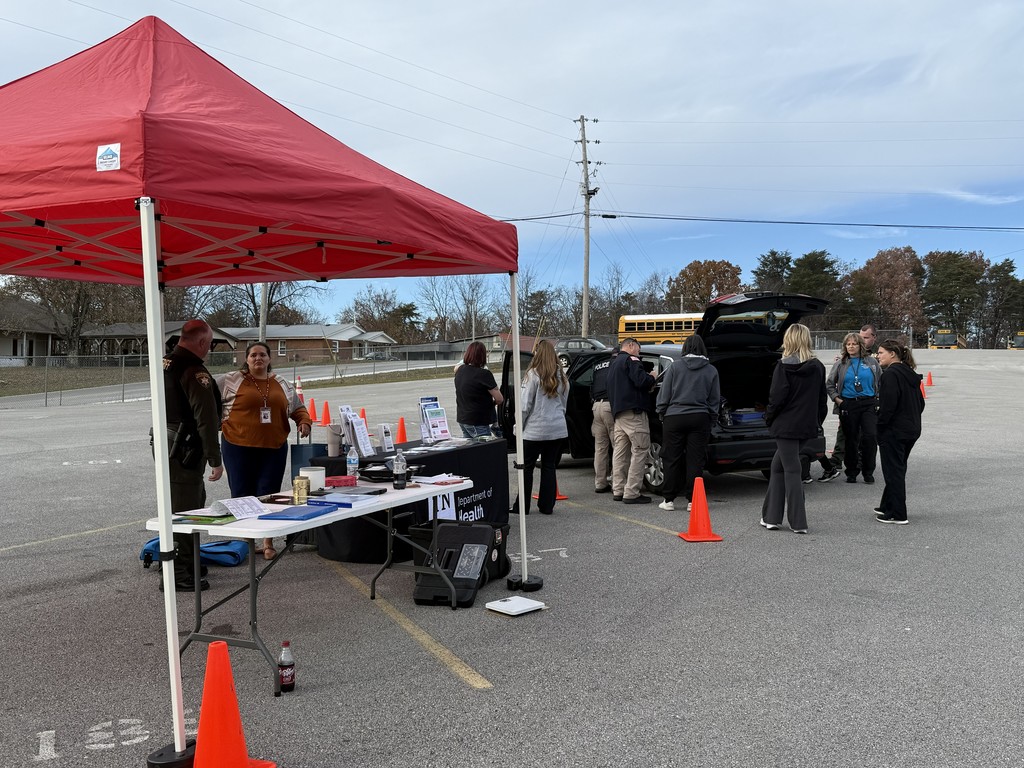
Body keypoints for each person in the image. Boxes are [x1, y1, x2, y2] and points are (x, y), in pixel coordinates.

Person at [219, 341, 312, 559]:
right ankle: (246, 543)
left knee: (269, 494)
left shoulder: (281, 383)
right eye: (253, 355)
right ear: (247, 359)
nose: (258, 358)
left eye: (262, 355)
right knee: (242, 494)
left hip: (274, 448)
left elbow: (297, 408)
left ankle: (268, 543)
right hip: (237, 446)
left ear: (269, 359)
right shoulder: (228, 380)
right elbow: (210, 404)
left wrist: (304, 422)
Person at [162, 319, 224, 591]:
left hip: (168, 443)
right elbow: (206, 419)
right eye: (209, 344)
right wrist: (215, 458)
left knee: (179, 505)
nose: (209, 349)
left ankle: (188, 563)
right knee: (187, 510)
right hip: (184, 449)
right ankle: (179, 572)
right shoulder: (193, 371)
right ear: (201, 342)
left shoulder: (166, 362)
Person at [760, 324, 828, 534]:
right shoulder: (817, 366)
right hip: (806, 426)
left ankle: (798, 522)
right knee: (777, 467)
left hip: (786, 425)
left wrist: (769, 418)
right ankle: (770, 517)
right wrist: (817, 421)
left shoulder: (782, 366)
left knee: (791, 469)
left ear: (788, 340)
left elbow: (776, 398)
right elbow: (821, 399)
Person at [655, 335, 720, 512]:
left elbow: (665, 393)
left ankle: (668, 499)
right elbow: (714, 399)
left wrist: (661, 412)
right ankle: (693, 500)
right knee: (695, 460)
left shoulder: (675, 367)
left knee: (671, 457)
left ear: (685, 348)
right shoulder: (711, 370)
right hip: (700, 417)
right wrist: (711, 418)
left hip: (674, 416)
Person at [514, 339, 568, 515]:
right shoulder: (562, 376)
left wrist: (518, 427)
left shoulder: (532, 375)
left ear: (537, 354)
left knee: (527, 468)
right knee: (549, 466)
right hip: (557, 428)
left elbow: (524, 406)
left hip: (535, 430)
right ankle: (546, 506)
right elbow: (564, 403)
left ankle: (522, 506)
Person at [874, 339, 925, 524]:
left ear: (892, 354)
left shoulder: (890, 375)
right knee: (897, 468)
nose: (877, 356)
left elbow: (887, 407)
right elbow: (921, 403)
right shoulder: (909, 373)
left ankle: (898, 513)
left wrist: (879, 426)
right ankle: (887, 505)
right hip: (911, 429)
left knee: (893, 470)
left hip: (894, 431)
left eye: (880, 353)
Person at [827, 332, 881, 483]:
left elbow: (881, 381)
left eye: (854, 344)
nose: (851, 346)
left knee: (870, 437)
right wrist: (838, 400)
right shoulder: (840, 364)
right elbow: (830, 384)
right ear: (845, 346)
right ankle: (851, 471)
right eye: (848, 344)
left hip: (868, 403)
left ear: (860, 345)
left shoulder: (871, 362)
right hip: (848, 404)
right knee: (851, 439)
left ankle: (868, 470)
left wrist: (879, 400)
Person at [607, 337, 656, 504]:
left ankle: (618, 489)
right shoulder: (631, 360)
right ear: (630, 345)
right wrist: (652, 377)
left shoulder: (613, 364)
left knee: (620, 454)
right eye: (638, 349)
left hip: (619, 415)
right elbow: (641, 380)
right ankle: (632, 492)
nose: (639, 353)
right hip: (634, 414)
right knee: (640, 450)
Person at [454, 340, 504, 438]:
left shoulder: (460, 370)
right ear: (483, 356)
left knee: (470, 450)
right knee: (483, 451)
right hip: (477, 421)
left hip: (462, 418)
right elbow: (499, 399)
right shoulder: (484, 374)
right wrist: (492, 404)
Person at [590, 347, 619, 493]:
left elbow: (591, 386)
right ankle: (616, 483)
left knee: (600, 448)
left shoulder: (599, 365)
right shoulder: (618, 364)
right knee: (618, 447)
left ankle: (600, 483)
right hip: (610, 406)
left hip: (596, 406)